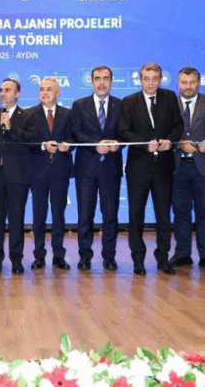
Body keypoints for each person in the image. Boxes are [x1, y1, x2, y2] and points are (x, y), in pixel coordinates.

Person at [118, 63, 183, 276]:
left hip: (164, 166)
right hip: (139, 166)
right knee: (136, 214)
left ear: (161, 79)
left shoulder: (170, 97)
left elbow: (178, 125)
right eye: (146, 78)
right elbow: (124, 130)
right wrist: (145, 144)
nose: (151, 82)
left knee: (163, 215)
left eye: (155, 78)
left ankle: (163, 258)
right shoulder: (129, 101)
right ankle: (138, 260)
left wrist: (169, 141)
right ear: (140, 80)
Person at [170, 67, 205, 272]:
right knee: (180, 213)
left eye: (192, 82)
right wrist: (179, 143)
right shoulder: (170, 103)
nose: (188, 86)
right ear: (178, 83)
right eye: (184, 82)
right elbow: (165, 130)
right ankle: (182, 254)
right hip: (177, 167)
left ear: (199, 83)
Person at [0, 78, 38, 274]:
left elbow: (33, 142)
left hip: (18, 176)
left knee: (16, 220)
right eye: (1, 90)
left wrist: (12, 127)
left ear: (17, 94)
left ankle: (16, 260)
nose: (3, 93)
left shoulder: (28, 117)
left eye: (7, 90)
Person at [70, 66, 123, 271]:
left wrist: (118, 143)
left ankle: (109, 256)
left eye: (105, 78)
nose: (101, 83)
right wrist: (95, 144)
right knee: (85, 215)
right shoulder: (79, 105)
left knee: (110, 215)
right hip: (86, 168)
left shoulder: (121, 105)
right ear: (91, 82)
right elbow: (76, 133)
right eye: (97, 79)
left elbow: (125, 132)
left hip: (111, 167)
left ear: (111, 81)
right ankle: (85, 256)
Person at [29, 78, 73, 270]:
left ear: (58, 93)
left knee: (58, 214)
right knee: (38, 214)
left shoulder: (68, 114)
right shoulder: (30, 114)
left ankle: (58, 255)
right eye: (42, 89)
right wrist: (42, 146)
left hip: (60, 169)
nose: (45, 92)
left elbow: (74, 137)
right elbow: (27, 140)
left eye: (49, 89)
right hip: (37, 170)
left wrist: (67, 146)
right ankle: (39, 255)